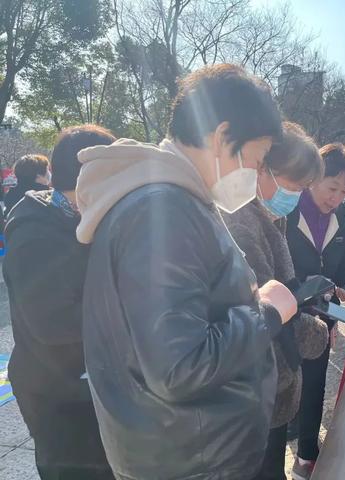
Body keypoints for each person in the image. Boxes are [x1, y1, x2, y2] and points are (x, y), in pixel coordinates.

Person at [77, 64, 297, 480]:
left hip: (187, 450)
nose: (254, 175)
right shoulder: (162, 210)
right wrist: (266, 311)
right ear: (221, 138)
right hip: (193, 462)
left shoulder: (175, 200)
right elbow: (179, 367)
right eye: (257, 158)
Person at [3, 125, 117, 480]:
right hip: (58, 399)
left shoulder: (78, 220)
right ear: (92, 179)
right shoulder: (35, 232)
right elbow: (52, 323)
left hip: (85, 390)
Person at [223, 122, 329, 480]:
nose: (296, 196)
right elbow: (258, 310)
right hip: (259, 384)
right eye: (294, 186)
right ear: (262, 168)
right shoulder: (241, 223)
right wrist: (312, 332)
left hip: (273, 384)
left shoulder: (267, 217)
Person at [286, 144, 345, 480]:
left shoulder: (339, 220)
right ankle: (287, 429)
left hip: (323, 314)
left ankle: (306, 455)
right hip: (286, 314)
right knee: (287, 379)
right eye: (332, 188)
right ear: (313, 179)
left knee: (316, 380)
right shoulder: (286, 213)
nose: (337, 197)